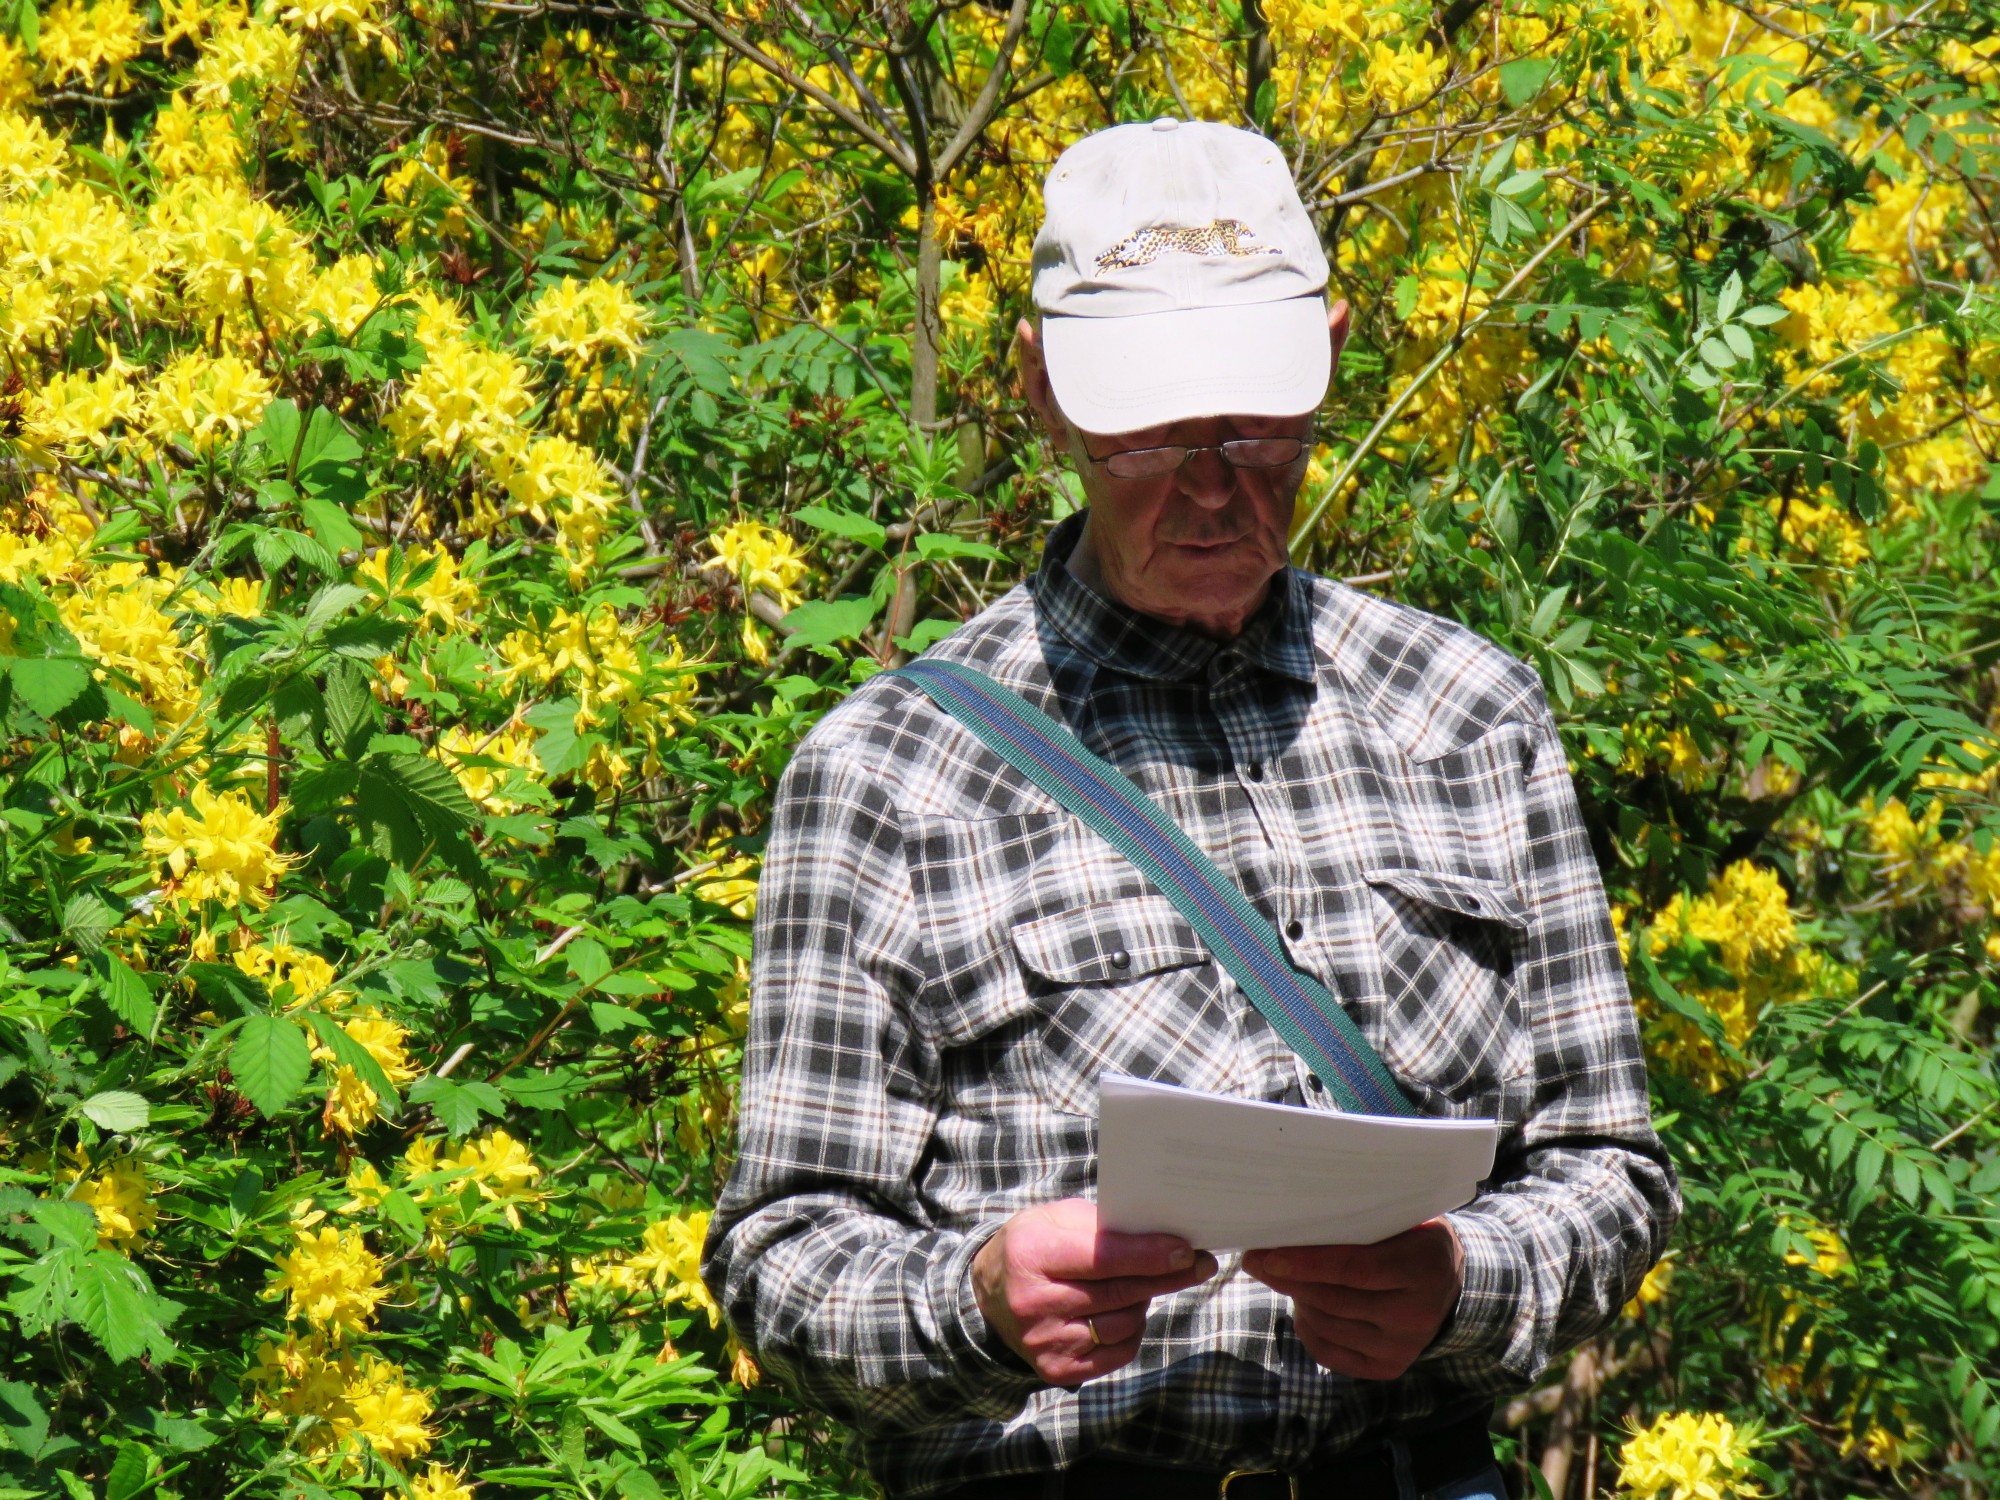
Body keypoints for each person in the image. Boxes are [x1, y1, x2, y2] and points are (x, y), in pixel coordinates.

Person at [702, 119, 1679, 1500]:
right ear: (1041, 388)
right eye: (1152, 433)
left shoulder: (1470, 712)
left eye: (1256, 425)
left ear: (1332, 349)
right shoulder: (886, 772)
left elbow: (1613, 1175)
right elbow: (780, 1256)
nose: (1214, 485)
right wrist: (973, 1305)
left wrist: (1462, 1282)